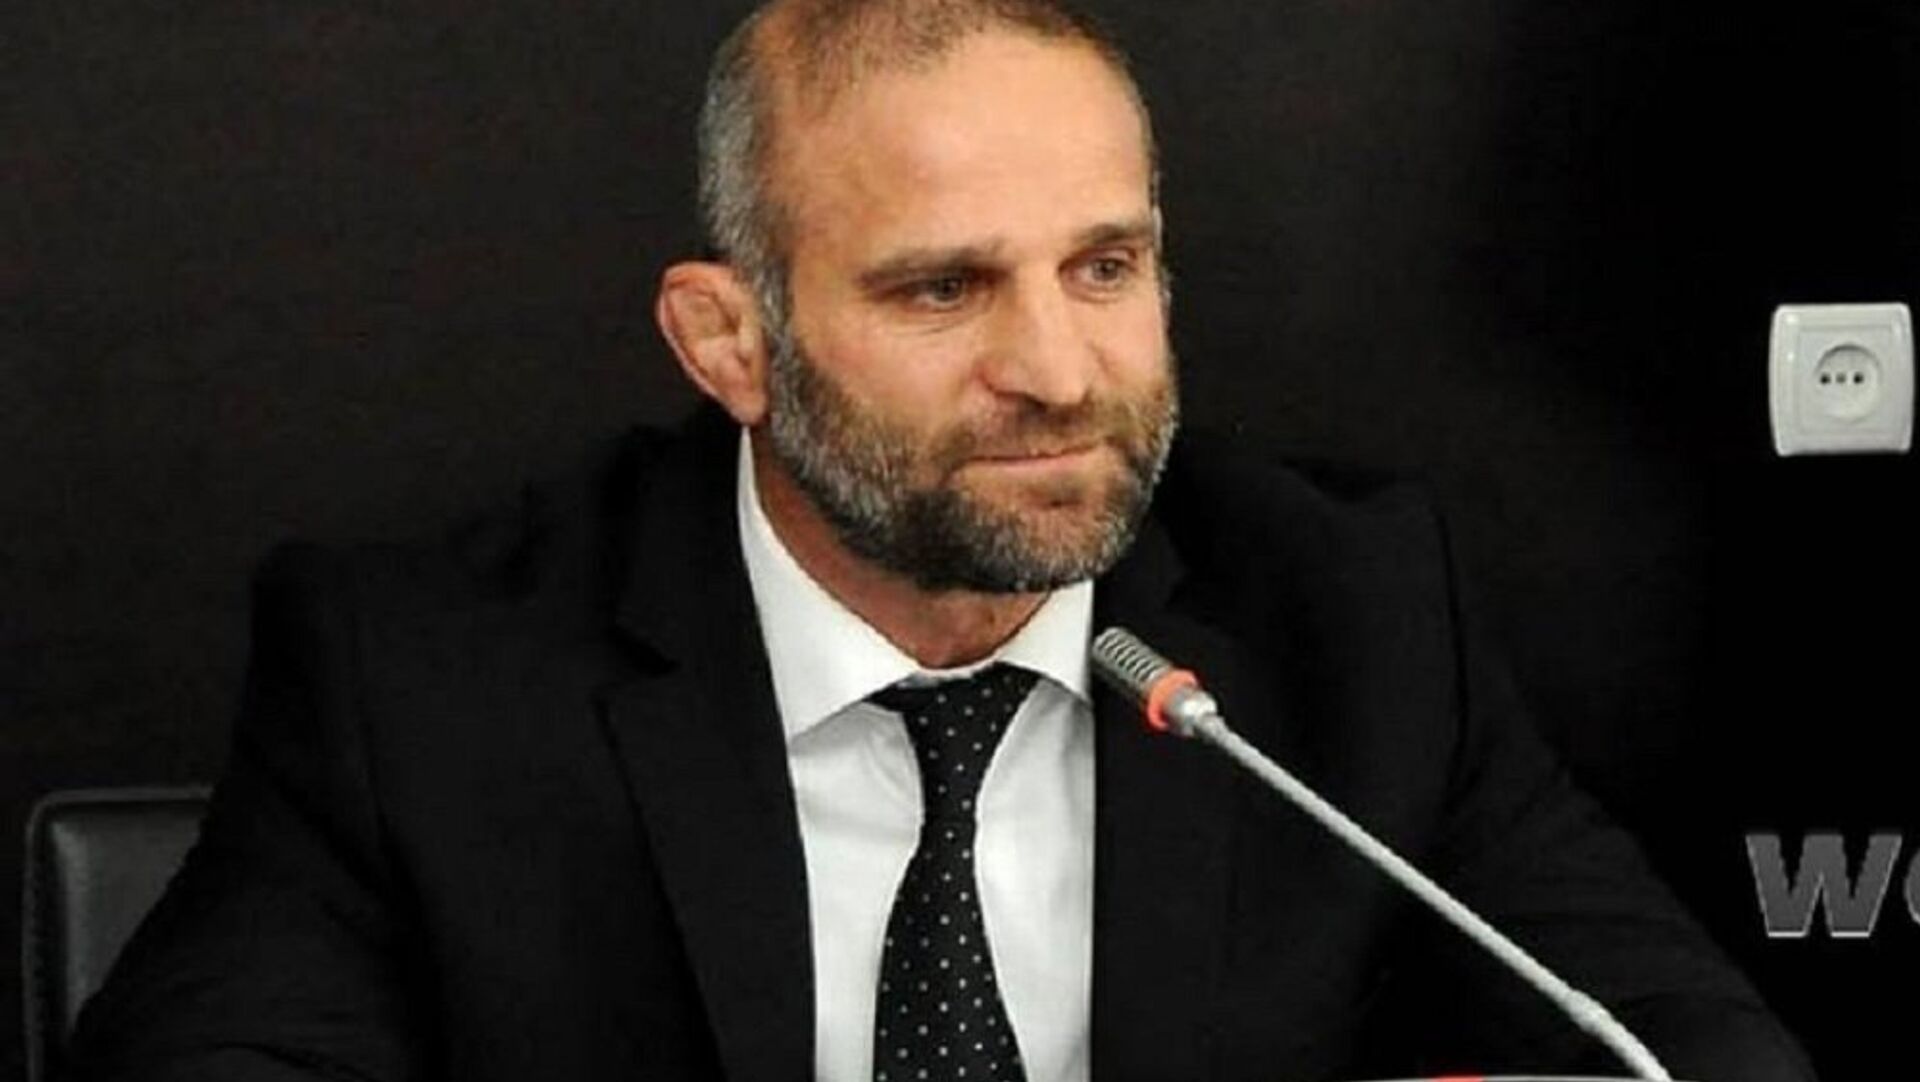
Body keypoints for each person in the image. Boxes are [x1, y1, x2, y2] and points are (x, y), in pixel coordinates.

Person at [68, 1, 1816, 1080]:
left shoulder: (1348, 618)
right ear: (727, 341)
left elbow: (1688, 1048)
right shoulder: (423, 671)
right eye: (941, 288)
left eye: (1104, 267)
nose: (1057, 369)